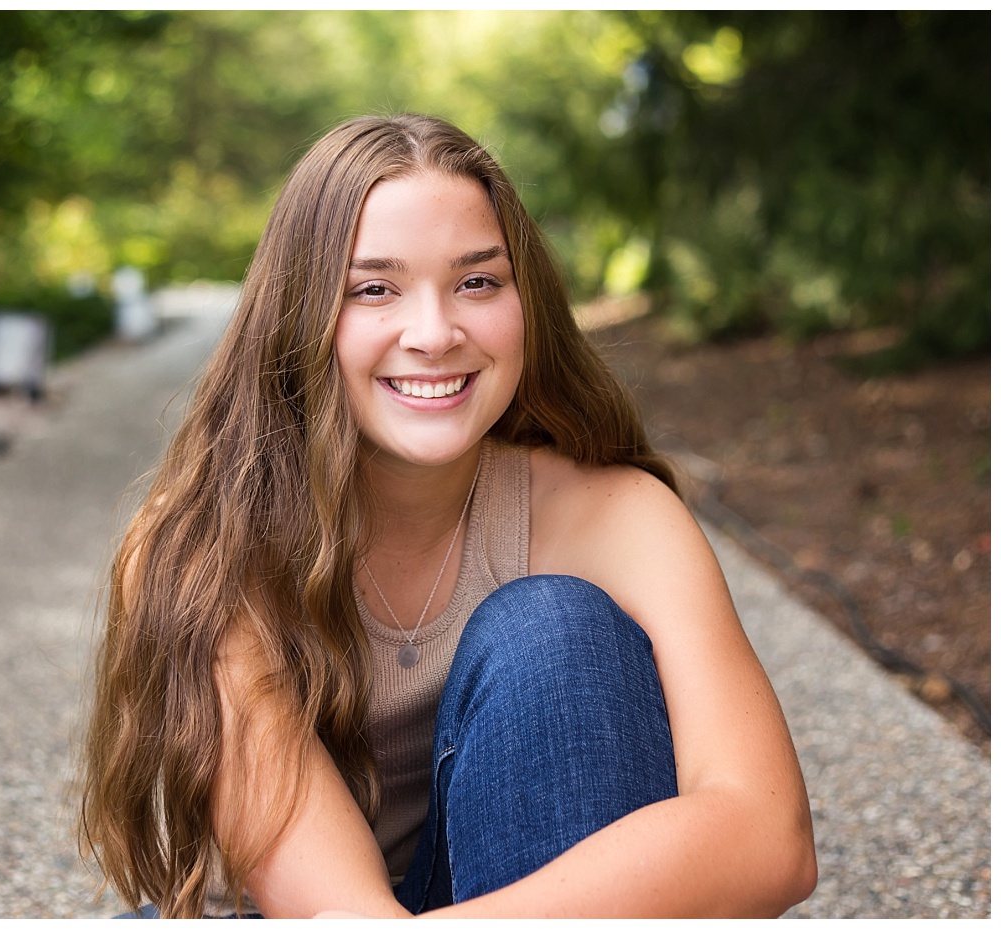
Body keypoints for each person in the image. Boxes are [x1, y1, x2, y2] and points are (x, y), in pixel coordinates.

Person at [77, 115, 816, 917]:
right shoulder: (205, 545)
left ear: (524, 301)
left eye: (477, 282)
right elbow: (343, 910)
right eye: (373, 288)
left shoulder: (618, 516)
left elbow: (768, 837)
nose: (433, 334)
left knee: (555, 627)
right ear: (297, 314)